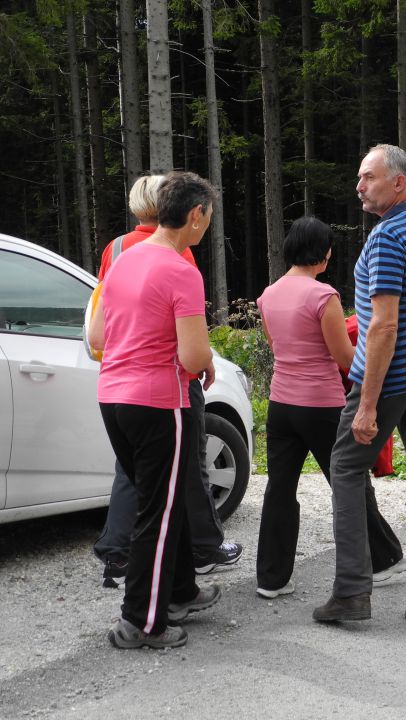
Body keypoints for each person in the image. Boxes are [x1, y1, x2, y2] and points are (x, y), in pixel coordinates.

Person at [312, 144, 406, 632]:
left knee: (345, 466)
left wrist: (368, 406)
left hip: (391, 378)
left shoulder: (385, 239)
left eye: (369, 176)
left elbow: (381, 327)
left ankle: (352, 592)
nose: (359, 185)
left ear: (398, 182)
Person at [88, 171, 222, 649]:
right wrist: (203, 362)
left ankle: (181, 590)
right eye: (207, 217)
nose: (206, 226)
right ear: (195, 215)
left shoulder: (123, 259)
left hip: (113, 398)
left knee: (164, 500)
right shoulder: (182, 269)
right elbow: (191, 357)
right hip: (160, 402)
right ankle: (141, 622)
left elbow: (99, 338)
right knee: (157, 513)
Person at [255, 217, 406, 600]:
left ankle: (271, 579)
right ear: (323, 254)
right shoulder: (323, 296)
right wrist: (378, 366)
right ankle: (383, 559)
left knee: (280, 488)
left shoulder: (268, 295)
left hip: (281, 404)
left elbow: (277, 347)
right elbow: (343, 355)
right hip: (322, 404)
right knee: (350, 478)